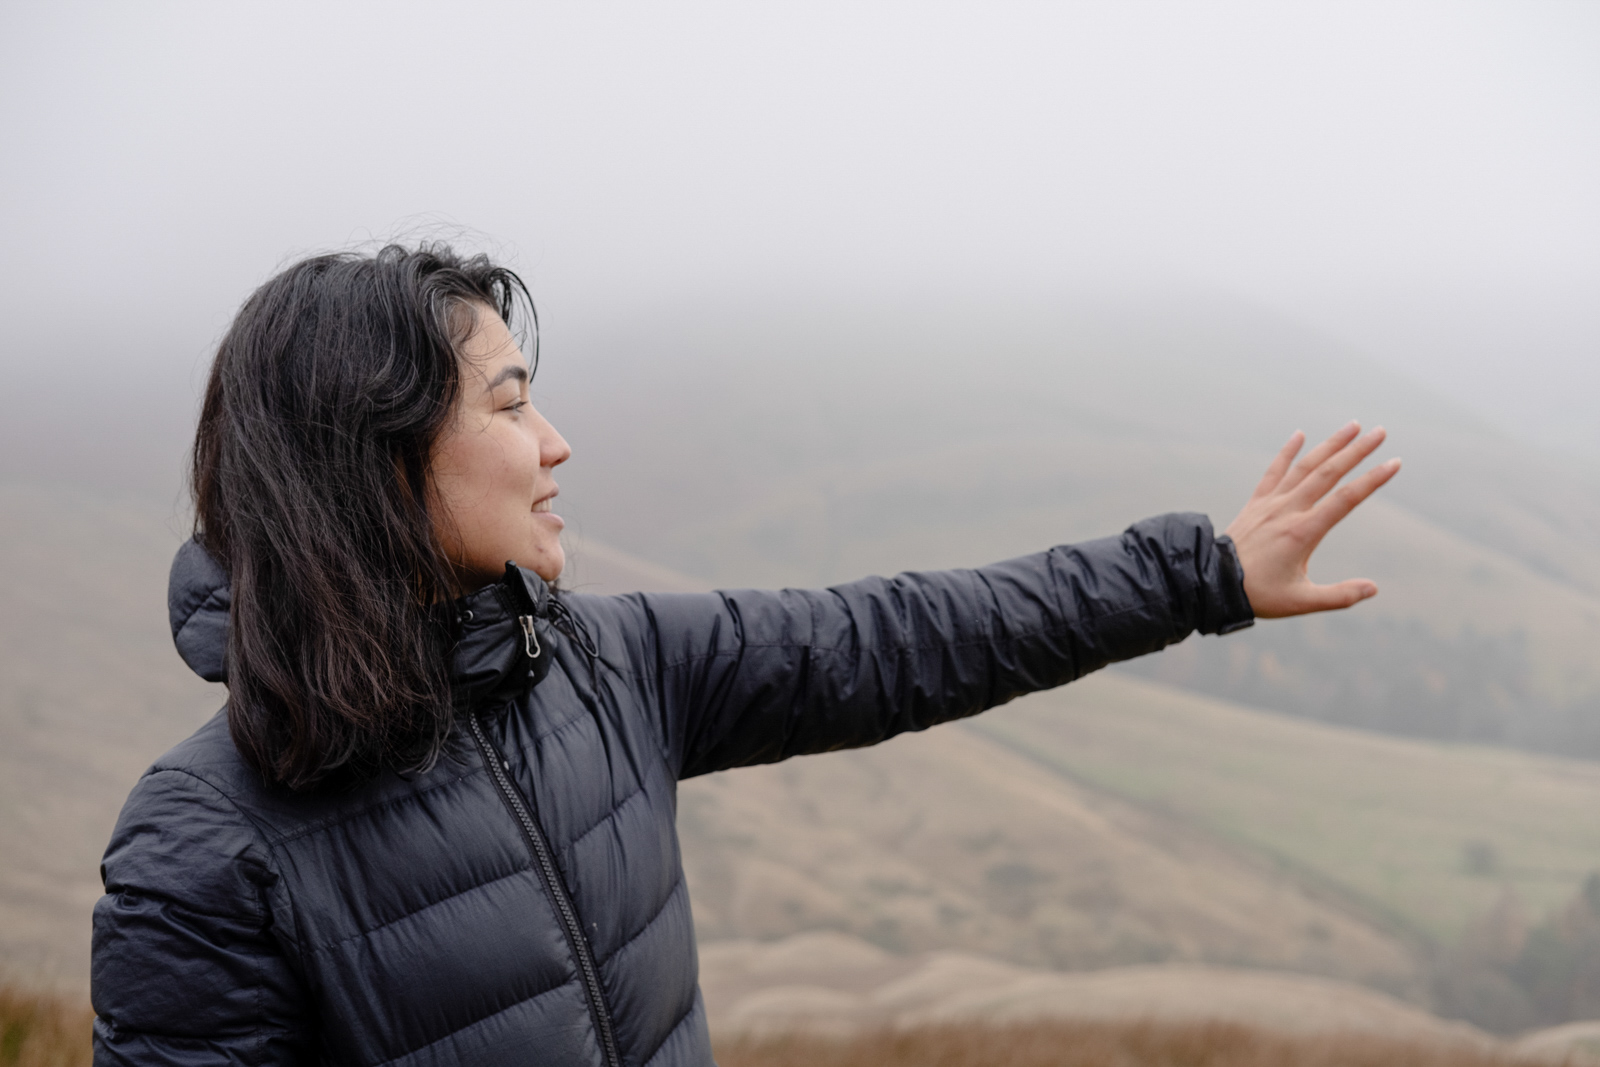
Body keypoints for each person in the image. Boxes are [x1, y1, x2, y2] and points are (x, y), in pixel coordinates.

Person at [91, 244, 1399, 1067]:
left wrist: (1202, 575)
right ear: (374, 459)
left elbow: (910, 637)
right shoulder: (206, 846)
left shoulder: (609, 671)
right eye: (508, 402)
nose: (555, 443)